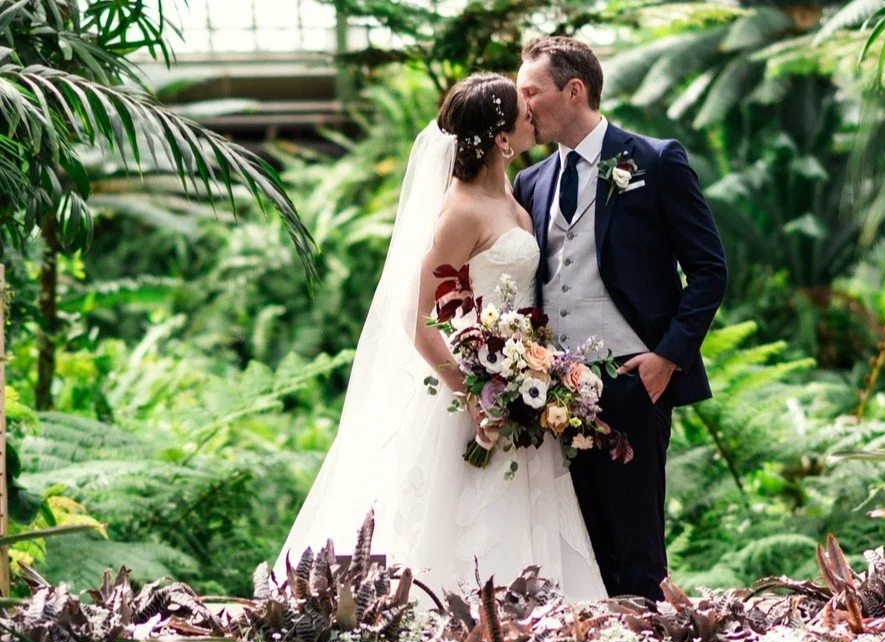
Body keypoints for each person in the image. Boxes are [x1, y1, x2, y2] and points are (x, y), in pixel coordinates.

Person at [275, 74, 606, 602]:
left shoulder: (512, 197)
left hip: (522, 390)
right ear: (500, 137)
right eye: (520, 109)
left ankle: (530, 625)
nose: (530, 115)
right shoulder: (460, 211)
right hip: (473, 395)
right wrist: (472, 390)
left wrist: (533, 369)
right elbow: (420, 316)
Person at [515, 37, 728, 601]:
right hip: (552, 393)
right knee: (577, 542)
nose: (523, 104)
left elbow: (709, 271)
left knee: (637, 546)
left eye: (531, 91)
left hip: (635, 380)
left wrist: (667, 359)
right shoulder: (530, 183)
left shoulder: (656, 161)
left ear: (574, 90)